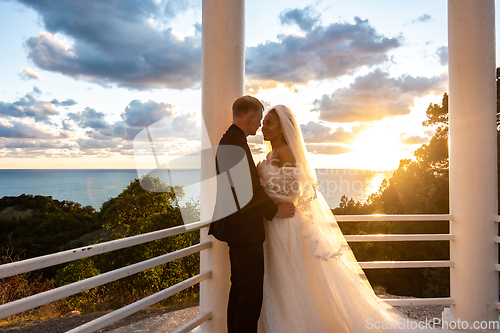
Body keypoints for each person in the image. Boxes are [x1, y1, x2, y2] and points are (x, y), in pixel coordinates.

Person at [256, 105, 405, 332]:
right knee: (276, 278)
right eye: (264, 122)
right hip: (272, 224)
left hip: (285, 224)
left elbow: (291, 192)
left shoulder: (286, 151)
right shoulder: (270, 155)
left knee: (288, 278)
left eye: (269, 123)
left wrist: (264, 199)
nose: (263, 127)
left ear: (282, 128)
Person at [208, 96, 296, 333]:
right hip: (244, 232)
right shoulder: (235, 143)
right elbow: (246, 189)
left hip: (239, 230)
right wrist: (274, 209)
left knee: (239, 291)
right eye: (259, 119)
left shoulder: (232, 139)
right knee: (249, 296)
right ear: (250, 117)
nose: (259, 125)